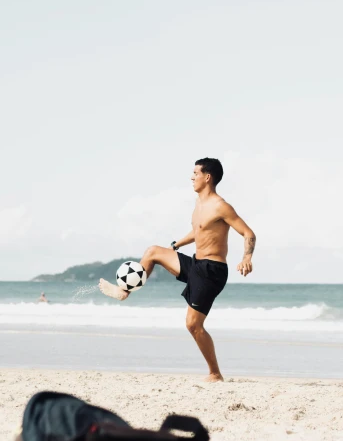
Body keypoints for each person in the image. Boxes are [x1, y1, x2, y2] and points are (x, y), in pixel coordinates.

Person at [99, 157, 256, 382]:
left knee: (193, 325)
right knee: (153, 251)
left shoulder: (221, 206)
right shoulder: (199, 205)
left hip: (212, 270)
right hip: (196, 263)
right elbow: (200, 231)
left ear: (207, 177)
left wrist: (246, 258)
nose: (191, 177)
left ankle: (215, 373)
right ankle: (125, 291)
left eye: (195, 173)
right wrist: (178, 244)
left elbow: (249, 233)